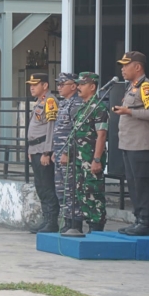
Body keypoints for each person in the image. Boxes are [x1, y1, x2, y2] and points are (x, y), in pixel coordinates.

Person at [114, 51, 149, 236]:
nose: (123, 69)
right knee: (133, 183)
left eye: (126, 65)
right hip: (129, 144)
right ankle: (138, 219)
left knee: (142, 183)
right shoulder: (131, 87)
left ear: (138, 67)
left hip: (141, 144)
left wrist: (129, 112)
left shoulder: (146, 87)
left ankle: (145, 222)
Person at [59, 72, 108, 236]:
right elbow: (75, 134)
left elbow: (101, 135)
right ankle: (88, 226)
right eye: (78, 84)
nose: (78, 87)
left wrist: (96, 159)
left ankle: (97, 227)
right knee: (81, 193)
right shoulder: (82, 108)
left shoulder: (99, 107)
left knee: (93, 192)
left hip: (91, 158)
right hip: (79, 158)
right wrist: (67, 153)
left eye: (82, 84)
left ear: (92, 86)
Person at [26, 73, 60, 233]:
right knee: (40, 186)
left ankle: (52, 221)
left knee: (47, 186)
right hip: (35, 149)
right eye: (31, 84)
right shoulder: (40, 102)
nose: (32, 87)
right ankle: (47, 219)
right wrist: (30, 150)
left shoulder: (50, 101)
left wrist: (47, 152)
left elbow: (51, 129)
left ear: (45, 85)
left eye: (35, 84)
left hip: (43, 151)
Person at [51, 73, 82, 233]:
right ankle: (67, 221)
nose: (59, 87)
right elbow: (58, 130)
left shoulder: (76, 104)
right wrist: (54, 150)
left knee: (71, 189)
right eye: (58, 84)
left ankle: (74, 223)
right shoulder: (64, 103)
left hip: (69, 154)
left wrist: (67, 152)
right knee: (61, 189)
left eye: (62, 84)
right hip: (59, 151)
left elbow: (75, 132)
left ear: (73, 86)